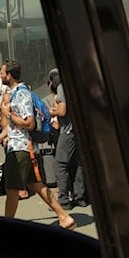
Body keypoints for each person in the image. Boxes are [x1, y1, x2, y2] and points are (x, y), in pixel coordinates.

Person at [0, 60, 75, 229]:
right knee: (36, 185)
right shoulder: (16, 93)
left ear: (9, 75)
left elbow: (29, 123)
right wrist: (1, 136)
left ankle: (7, 227)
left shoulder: (21, 94)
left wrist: (8, 114)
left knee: (11, 190)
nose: (0, 76)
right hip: (23, 147)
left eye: (2, 73)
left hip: (21, 149)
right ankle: (64, 216)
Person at [49, 68, 87, 208]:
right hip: (78, 130)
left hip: (68, 131)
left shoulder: (61, 87)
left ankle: (63, 201)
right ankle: (79, 197)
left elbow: (62, 111)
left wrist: (51, 111)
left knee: (59, 164)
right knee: (77, 164)